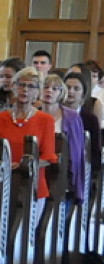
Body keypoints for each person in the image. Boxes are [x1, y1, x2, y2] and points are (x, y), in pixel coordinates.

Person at [0, 68, 57, 224]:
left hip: (33, 185)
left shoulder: (46, 120)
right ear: (13, 87)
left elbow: (48, 156)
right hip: (2, 182)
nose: (25, 89)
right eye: (21, 85)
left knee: (25, 237)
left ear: (38, 91)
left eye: (31, 86)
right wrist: (4, 164)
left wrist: (26, 165)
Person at [40, 74, 85, 203]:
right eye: (45, 87)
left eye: (55, 88)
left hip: (63, 172)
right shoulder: (33, 114)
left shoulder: (71, 117)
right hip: (40, 171)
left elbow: (76, 153)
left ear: (61, 93)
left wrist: (70, 181)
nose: (49, 91)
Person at [63, 70, 102, 174]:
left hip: (81, 169)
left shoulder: (90, 119)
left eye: (76, 89)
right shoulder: (56, 115)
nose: (71, 92)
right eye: (68, 87)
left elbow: (95, 153)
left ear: (83, 93)